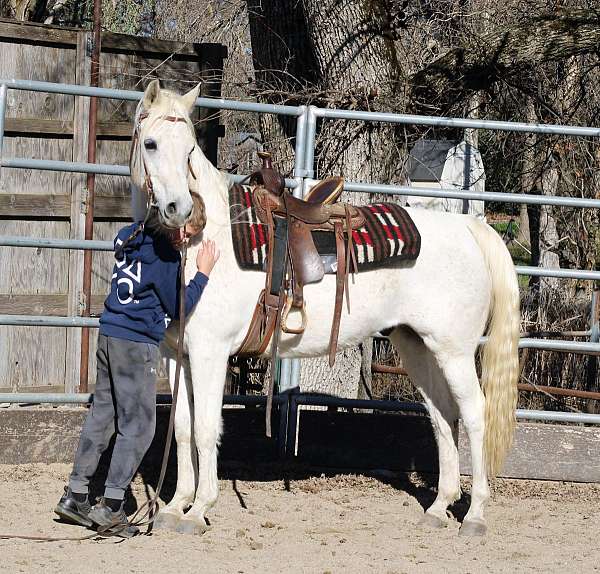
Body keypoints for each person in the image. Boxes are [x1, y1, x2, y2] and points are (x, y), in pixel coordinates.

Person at [55, 192, 218, 537]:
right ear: (173, 218)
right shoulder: (165, 256)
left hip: (109, 333)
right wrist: (202, 274)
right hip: (136, 343)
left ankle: (76, 493)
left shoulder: (129, 235)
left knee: (102, 415)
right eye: (185, 230)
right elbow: (179, 309)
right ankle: (112, 506)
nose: (185, 239)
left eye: (190, 235)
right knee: (140, 427)